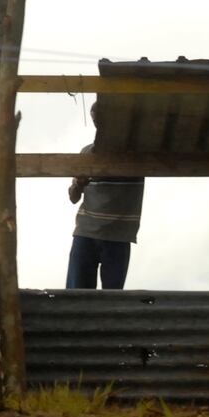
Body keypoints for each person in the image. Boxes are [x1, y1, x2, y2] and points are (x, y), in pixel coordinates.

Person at [66, 102, 145, 289]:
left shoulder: (137, 154)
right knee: (76, 296)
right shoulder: (87, 153)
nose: (98, 125)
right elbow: (73, 197)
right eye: (95, 121)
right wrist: (79, 183)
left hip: (119, 235)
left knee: (112, 298)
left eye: (102, 120)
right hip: (86, 233)